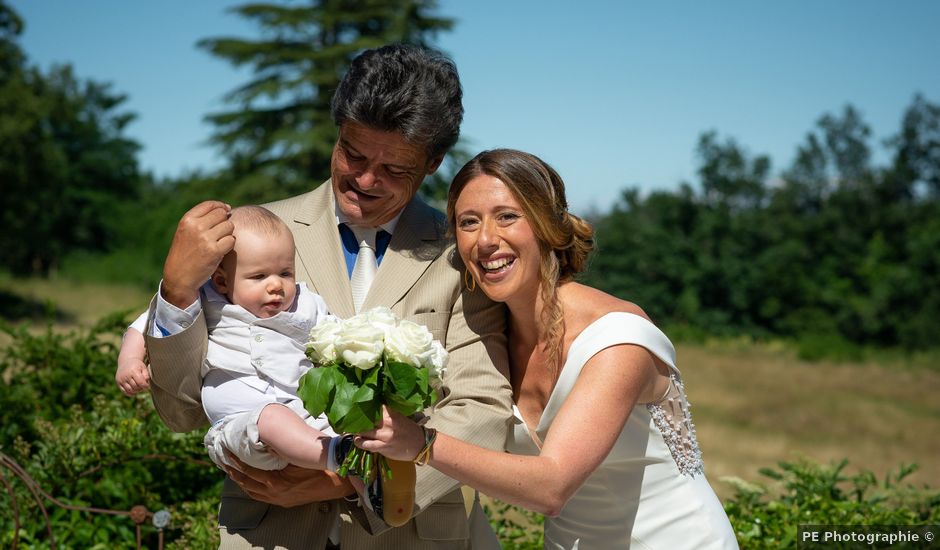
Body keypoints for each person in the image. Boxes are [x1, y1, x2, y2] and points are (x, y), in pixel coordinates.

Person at [143, 43, 513, 549]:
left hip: (415, 534)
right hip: (271, 532)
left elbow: (480, 410)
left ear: (433, 163)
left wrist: (346, 481)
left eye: (394, 170)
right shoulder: (249, 235)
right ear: (337, 132)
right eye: (353, 154)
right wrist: (178, 290)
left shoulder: (462, 252)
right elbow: (182, 413)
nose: (364, 180)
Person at [356, 149, 740, 549]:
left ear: (545, 225)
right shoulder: (485, 340)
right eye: (469, 222)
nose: (486, 240)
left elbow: (552, 487)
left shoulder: (617, 340)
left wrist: (420, 443)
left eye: (507, 216)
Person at [118, 205, 345, 474]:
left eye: (285, 273)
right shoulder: (206, 297)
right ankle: (337, 458)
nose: (276, 285)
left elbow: (338, 334)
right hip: (243, 426)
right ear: (222, 281)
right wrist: (129, 360)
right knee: (271, 418)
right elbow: (144, 325)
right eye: (259, 276)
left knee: (348, 430)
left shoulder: (305, 303)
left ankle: (363, 483)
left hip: (306, 416)